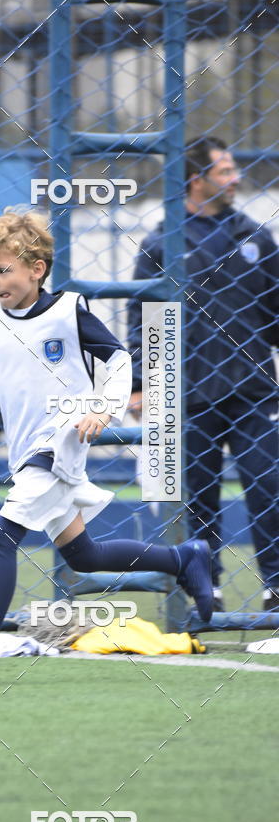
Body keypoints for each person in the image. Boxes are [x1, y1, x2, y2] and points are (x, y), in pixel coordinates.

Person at [0, 209, 213, 680]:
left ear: (36, 270)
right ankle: (184, 558)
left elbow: (119, 361)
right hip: (26, 452)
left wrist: (102, 407)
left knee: (2, 536)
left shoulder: (68, 310)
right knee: (84, 556)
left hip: (57, 443)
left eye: (4, 270)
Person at [127, 136, 279, 612]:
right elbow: (143, 319)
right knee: (196, 497)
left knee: (269, 485)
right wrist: (141, 382)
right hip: (186, 391)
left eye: (234, 170)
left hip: (254, 389)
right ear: (196, 180)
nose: (236, 179)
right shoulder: (161, 243)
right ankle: (203, 588)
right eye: (225, 171)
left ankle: (277, 587)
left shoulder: (256, 237)